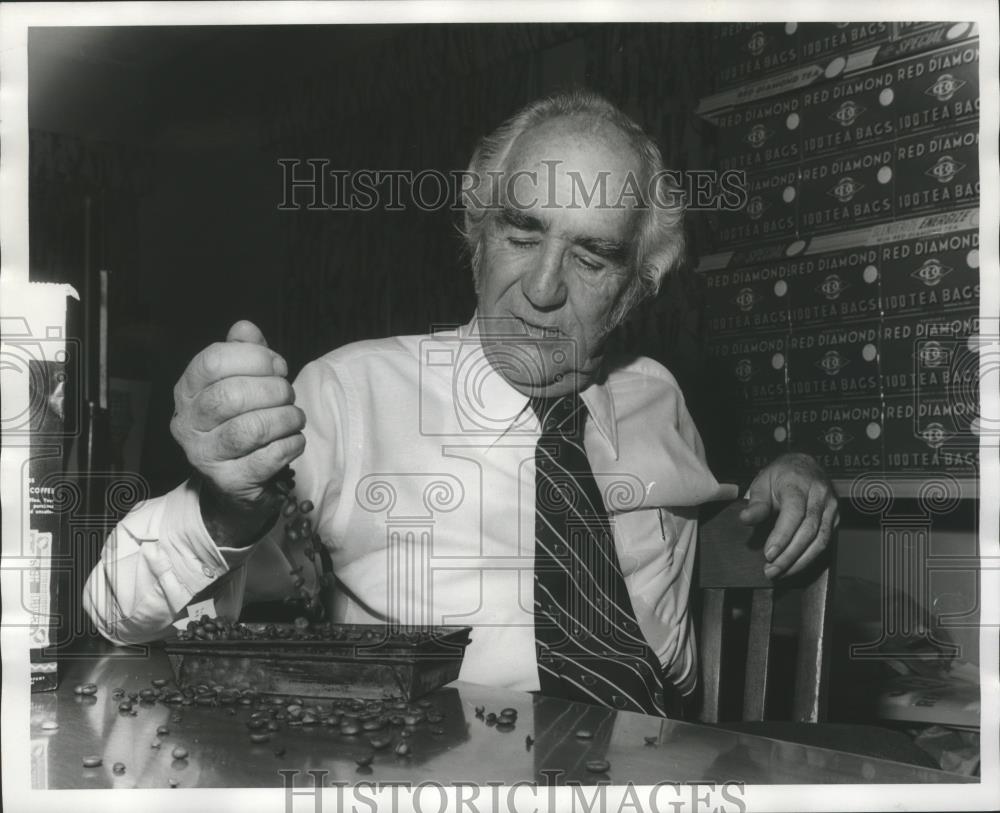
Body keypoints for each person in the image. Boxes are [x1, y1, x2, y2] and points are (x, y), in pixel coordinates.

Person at [83, 90, 837, 715]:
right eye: (522, 232)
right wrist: (225, 507)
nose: (542, 289)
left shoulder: (658, 397)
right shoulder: (350, 393)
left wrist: (791, 470)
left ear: (639, 285)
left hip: (661, 765)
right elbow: (115, 611)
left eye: (592, 254)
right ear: (477, 233)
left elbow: (691, 519)